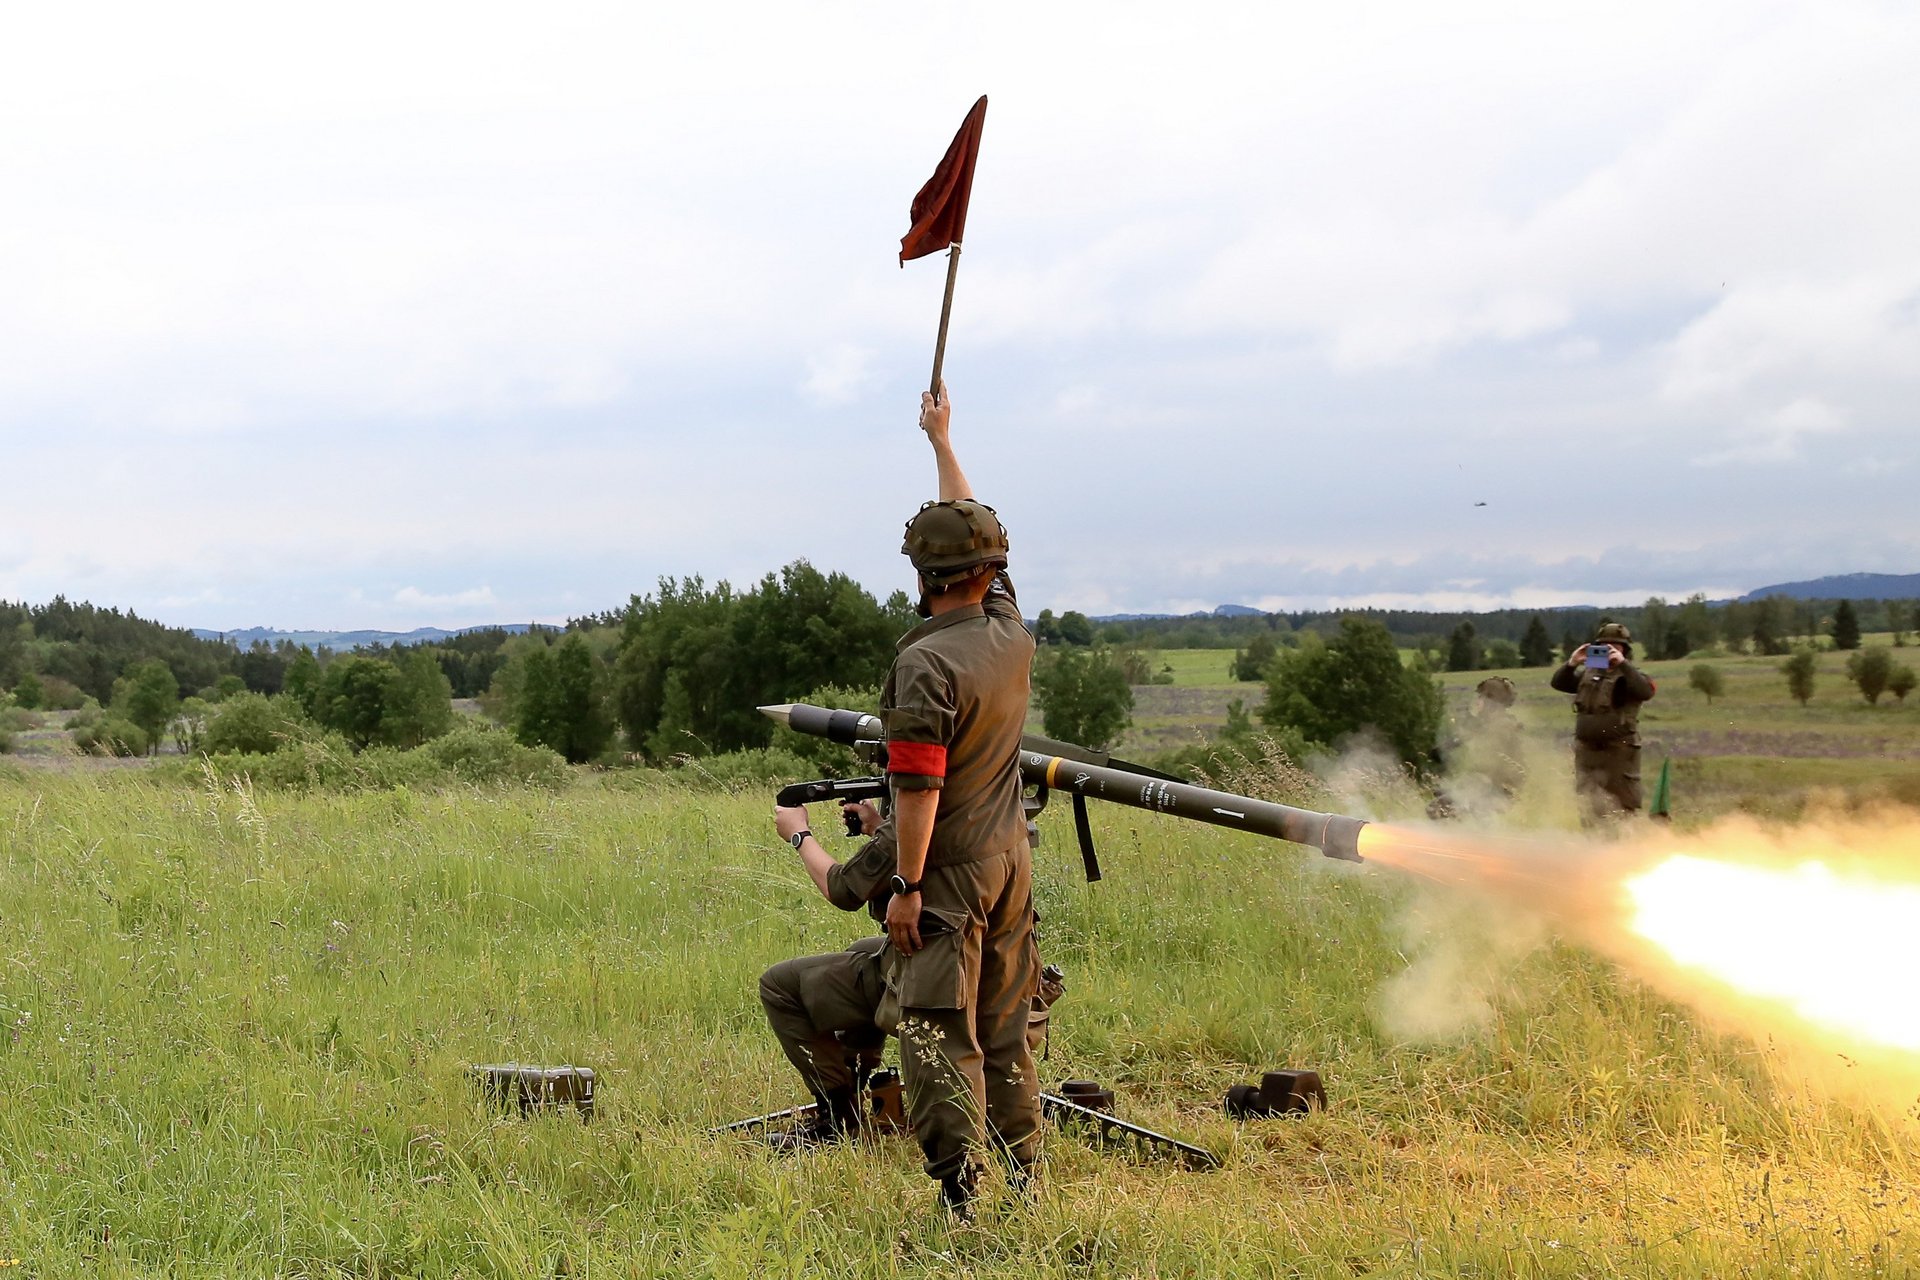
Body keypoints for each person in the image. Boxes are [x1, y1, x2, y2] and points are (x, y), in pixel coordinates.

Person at [773, 382, 1037, 1220]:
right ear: (991, 567)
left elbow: (918, 792)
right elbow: (973, 525)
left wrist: (908, 886)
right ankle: (1025, 1178)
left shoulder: (926, 666)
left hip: (949, 874)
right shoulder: (1008, 628)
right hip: (1008, 864)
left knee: (934, 1038)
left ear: (925, 577)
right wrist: (943, 441)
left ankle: (961, 1198)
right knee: (1003, 1029)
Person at [1549, 623, 1657, 821]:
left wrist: (1623, 664)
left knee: (1621, 803)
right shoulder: (1589, 674)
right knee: (1588, 801)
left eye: (1615, 646)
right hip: (1587, 751)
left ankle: (1624, 845)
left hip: (1618, 751)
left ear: (1625, 649)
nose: (1609, 650)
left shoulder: (1630, 676)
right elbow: (1559, 683)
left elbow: (1645, 691)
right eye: (1604, 646)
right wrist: (1572, 663)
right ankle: (1593, 844)